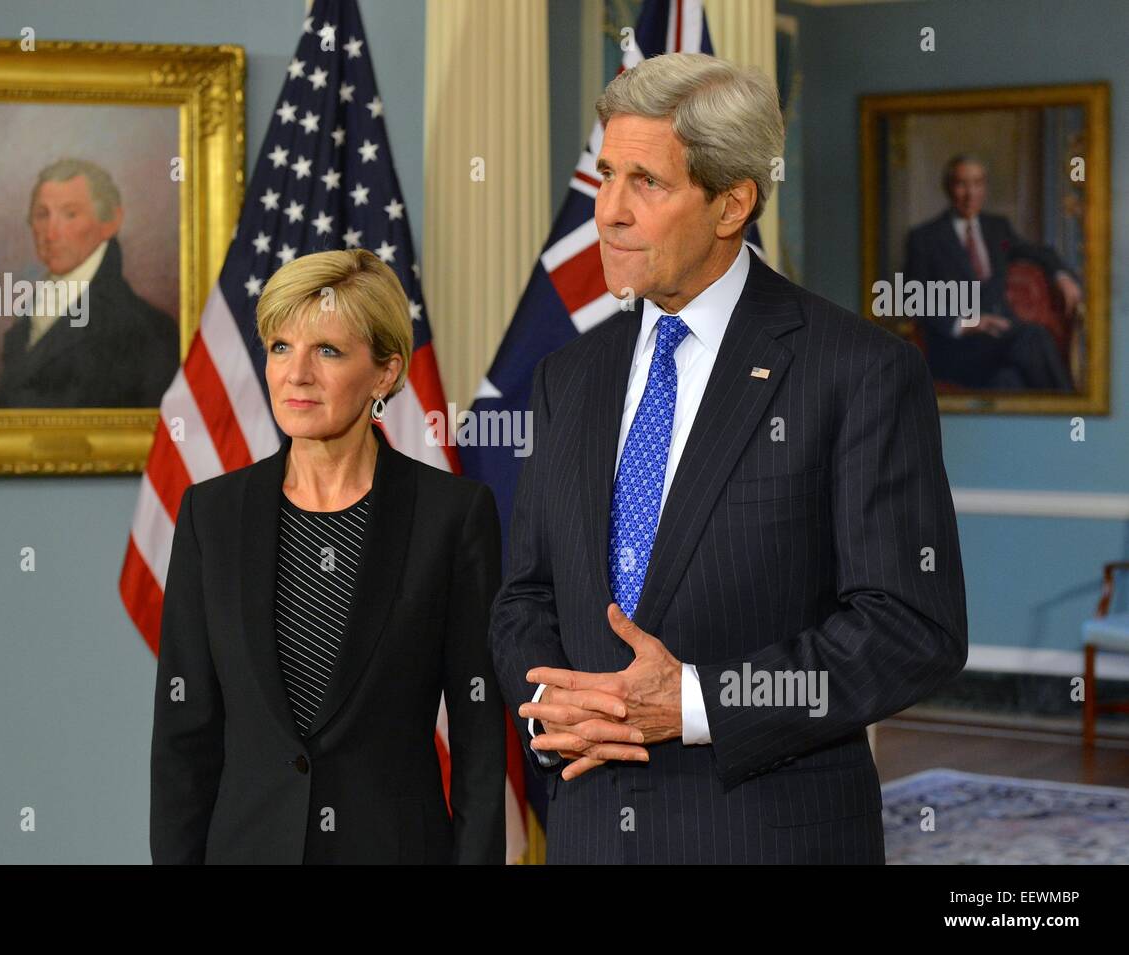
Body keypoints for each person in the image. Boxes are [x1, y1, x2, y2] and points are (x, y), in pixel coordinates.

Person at [490, 52, 968, 864]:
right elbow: (526, 593)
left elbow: (910, 628)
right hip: (590, 831)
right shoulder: (567, 375)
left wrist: (694, 699)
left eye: (646, 182)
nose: (607, 211)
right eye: (605, 175)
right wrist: (558, 702)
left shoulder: (857, 371)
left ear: (732, 204)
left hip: (765, 835)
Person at [151, 248, 506, 864]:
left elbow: (480, 746)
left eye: (329, 351)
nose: (297, 374)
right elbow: (186, 740)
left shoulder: (452, 518)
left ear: (386, 373)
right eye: (281, 347)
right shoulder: (211, 517)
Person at [0, 158, 180, 407]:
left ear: (111, 222)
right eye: (42, 215)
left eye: (70, 214)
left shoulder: (148, 331)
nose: (50, 234)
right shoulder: (29, 314)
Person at [903, 154, 1078, 390]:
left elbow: (1040, 253)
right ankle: (1074, 412)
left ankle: (1066, 416)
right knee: (1033, 337)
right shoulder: (925, 238)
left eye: (977, 183)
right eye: (961, 184)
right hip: (957, 348)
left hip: (1001, 342)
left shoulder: (997, 229)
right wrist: (966, 323)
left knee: (1008, 382)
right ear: (948, 188)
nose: (970, 193)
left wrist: (1062, 276)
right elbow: (913, 299)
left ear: (984, 187)